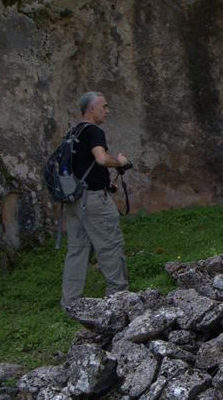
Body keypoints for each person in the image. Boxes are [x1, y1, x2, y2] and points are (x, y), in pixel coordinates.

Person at [61, 91, 130, 310]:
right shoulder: (93, 131)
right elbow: (100, 158)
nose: (107, 111)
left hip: (74, 201)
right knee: (110, 245)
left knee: (77, 250)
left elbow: (81, 169)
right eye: (104, 106)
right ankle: (118, 298)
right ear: (91, 109)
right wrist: (119, 163)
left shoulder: (72, 133)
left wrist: (106, 183)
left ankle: (70, 303)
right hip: (93, 202)